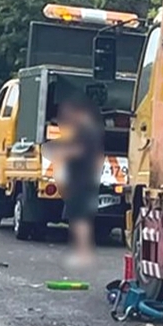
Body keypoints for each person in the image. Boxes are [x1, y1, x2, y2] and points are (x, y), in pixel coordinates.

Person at [50, 93, 104, 270]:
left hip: (81, 179)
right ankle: (82, 252)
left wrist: (60, 153)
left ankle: (83, 253)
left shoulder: (85, 131)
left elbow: (79, 151)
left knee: (79, 218)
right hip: (84, 178)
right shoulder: (90, 129)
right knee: (79, 217)